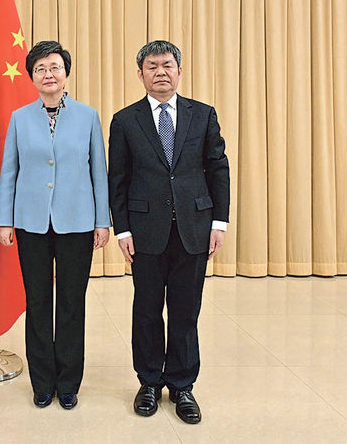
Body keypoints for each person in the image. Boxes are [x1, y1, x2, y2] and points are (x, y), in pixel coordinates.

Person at [108, 40, 229, 424]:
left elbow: (218, 169)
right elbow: (118, 179)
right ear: (140, 74)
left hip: (194, 229)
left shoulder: (203, 115)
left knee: (185, 311)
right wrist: (122, 230)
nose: (160, 72)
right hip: (145, 232)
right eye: (152, 66)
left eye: (167, 65)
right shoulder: (125, 120)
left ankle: (182, 385)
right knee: (146, 310)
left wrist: (219, 222)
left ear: (179, 71)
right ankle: (148, 382)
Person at [0, 41, 110, 410]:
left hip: (77, 221)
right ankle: (42, 381)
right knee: (38, 301)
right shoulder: (20, 118)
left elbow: (98, 172)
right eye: (40, 68)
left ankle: (69, 382)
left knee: (72, 303)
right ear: (32, 77)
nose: (48, 74)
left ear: (66, 74)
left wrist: (102, 220)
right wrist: (5, 220)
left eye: (54, 67)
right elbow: (9, 171)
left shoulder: (88, 116)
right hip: (31, 222)